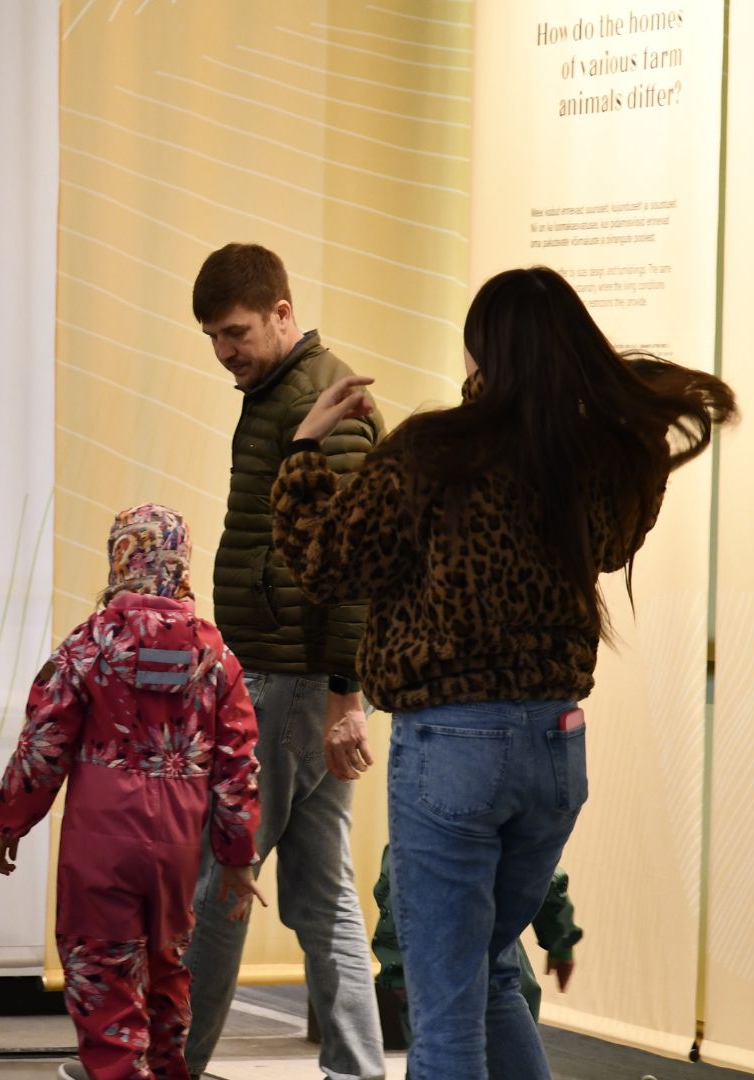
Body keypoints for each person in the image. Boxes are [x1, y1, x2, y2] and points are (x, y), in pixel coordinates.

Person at [270, 265, 735, 1078]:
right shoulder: (589, 462)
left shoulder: (432, 450)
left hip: (453, 745)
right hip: (556, 748)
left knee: (445, 1013)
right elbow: (616, 545)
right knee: (485, 972)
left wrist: (305, 449)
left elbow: (325, 560)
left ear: (483, 348)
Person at [178, 243, 388, 1080]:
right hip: (290, 680)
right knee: (320, 892)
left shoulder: (319, 401)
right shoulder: (279, 394)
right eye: (212, 338)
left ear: (282, 314)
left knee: (221, 878)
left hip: (291, 684)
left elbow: (352, 568)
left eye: (236, 332)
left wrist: (344, 695)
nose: (225, 351)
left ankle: (169, 1060)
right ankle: (358, 1069)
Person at [0, 505, 266, 1080]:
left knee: (104, 977)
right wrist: (238, 858)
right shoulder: (216, 656)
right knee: (165, 973)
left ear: (120, 557)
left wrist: (8, 822)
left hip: (101, 842)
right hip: (178, 848)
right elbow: (238, 765)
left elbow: (44, 743)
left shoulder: (90, 644)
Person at [372, 844, 583, 1060]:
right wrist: (561, 940)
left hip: (436, 981)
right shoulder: (500, 826)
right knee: (511, 1057)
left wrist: (398, 973)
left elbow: (399, 905)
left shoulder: (417, 834)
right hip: (499, 972)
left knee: (437, 1062)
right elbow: (540, 871)